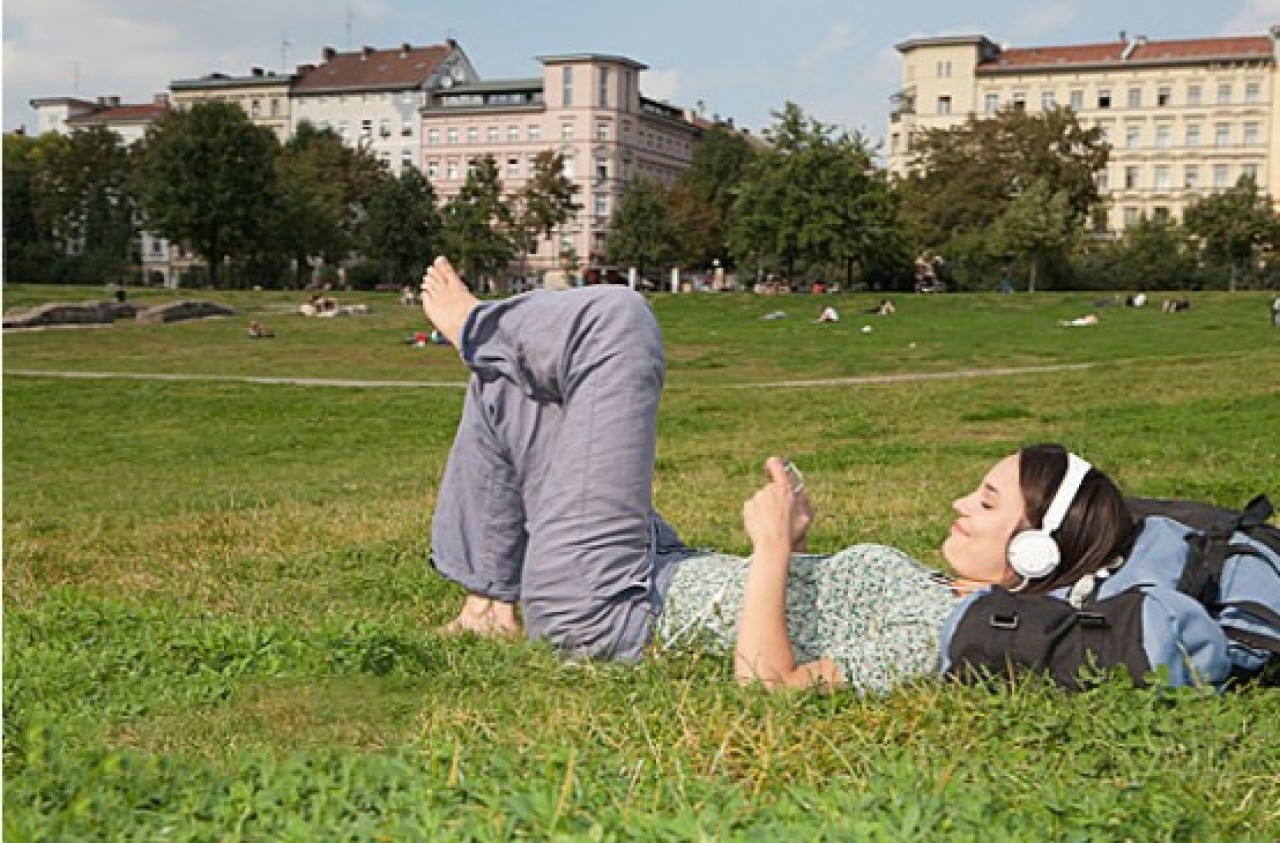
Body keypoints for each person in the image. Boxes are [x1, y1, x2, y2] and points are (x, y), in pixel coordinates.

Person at [420, 256, 1133, 691]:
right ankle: (488, 601)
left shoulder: (944, 632)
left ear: (1031, 551)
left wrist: (774, 547)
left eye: (985, 500)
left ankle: (478, 326)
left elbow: (772, 686)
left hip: (610, 607)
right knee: (526, 379)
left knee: (616, 318)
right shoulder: (941, 592)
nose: (958, 501)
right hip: (653, 563)